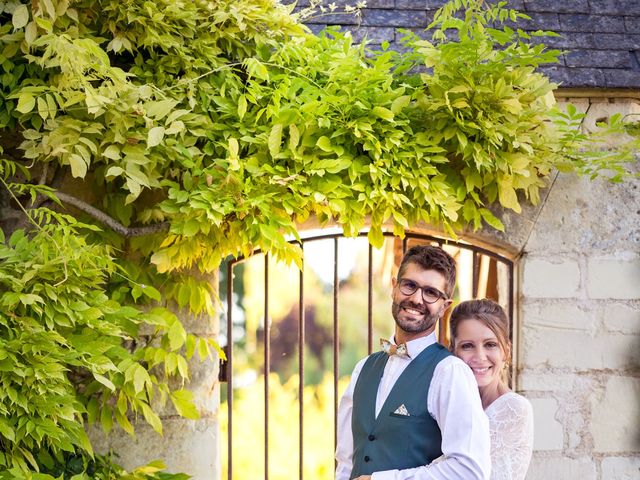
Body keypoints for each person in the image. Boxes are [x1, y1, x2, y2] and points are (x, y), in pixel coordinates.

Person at [335, 245, 491, 480]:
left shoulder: (450, 372)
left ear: (444, 307)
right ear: (394, 287)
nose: (417, 299)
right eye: (410, 285)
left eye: (431, 293)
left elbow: (469, 470)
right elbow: (346, 462)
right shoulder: (362, 369)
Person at [449, 299, 534, 480]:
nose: (480, 357)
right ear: (453, 352)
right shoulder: (453, 403)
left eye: (490, 344)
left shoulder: (514, 408)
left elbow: (454, 471)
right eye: (467, 346)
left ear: (507, 352)